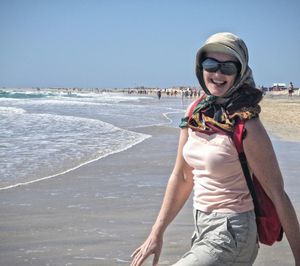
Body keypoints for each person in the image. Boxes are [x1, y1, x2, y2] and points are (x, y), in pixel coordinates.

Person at [131, 32, 300, 266]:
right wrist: (156, 233)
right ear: (200, 67)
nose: (218, 74)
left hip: (233, 232)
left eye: (228, 67)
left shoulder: (246, 123)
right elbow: (181, 176)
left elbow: (277, 194)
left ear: (239, 72)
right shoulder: (195, 112)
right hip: (201, 227)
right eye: (211, 64)